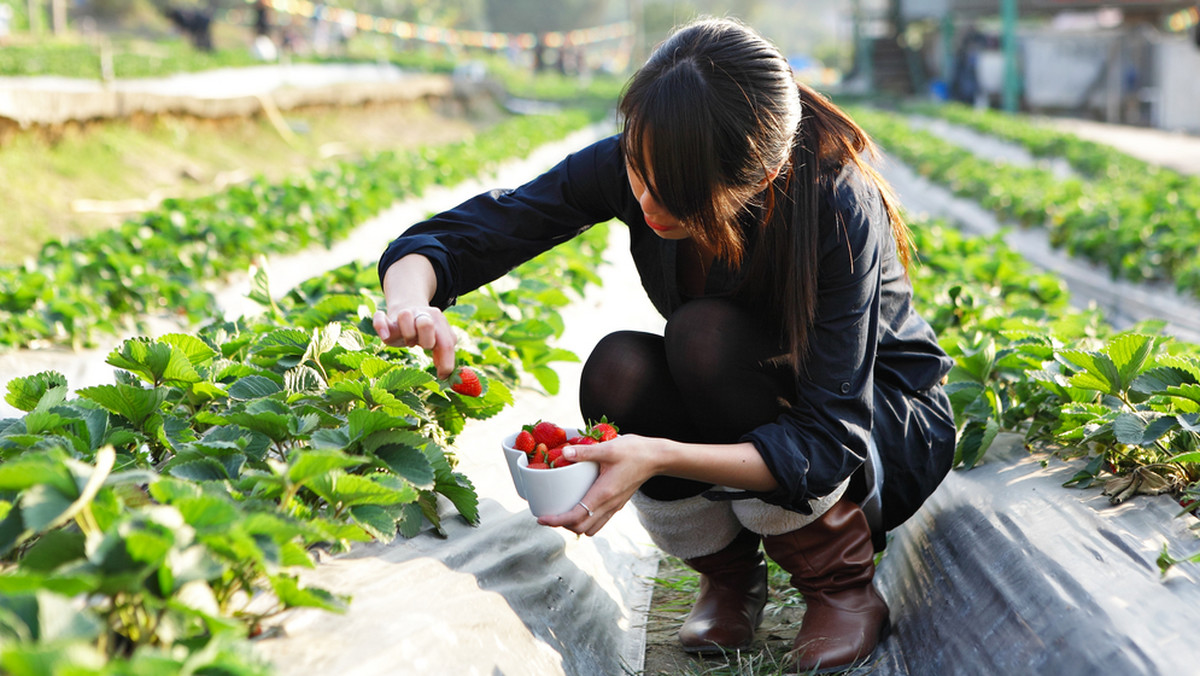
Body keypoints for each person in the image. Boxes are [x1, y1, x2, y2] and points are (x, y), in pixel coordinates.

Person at [373, 17, 955, 673]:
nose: (646, 200)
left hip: (877, 429)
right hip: (770, 410)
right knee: (618, 372)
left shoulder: (833, 201)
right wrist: (410, 304)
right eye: (637, 171)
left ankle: (838, 584)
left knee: (704, 336)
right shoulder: (648, 159)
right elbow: (475, 231)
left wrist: (657, 455)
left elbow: (829, 440)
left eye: (675, 193)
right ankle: (729, 579)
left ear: (759, 180)